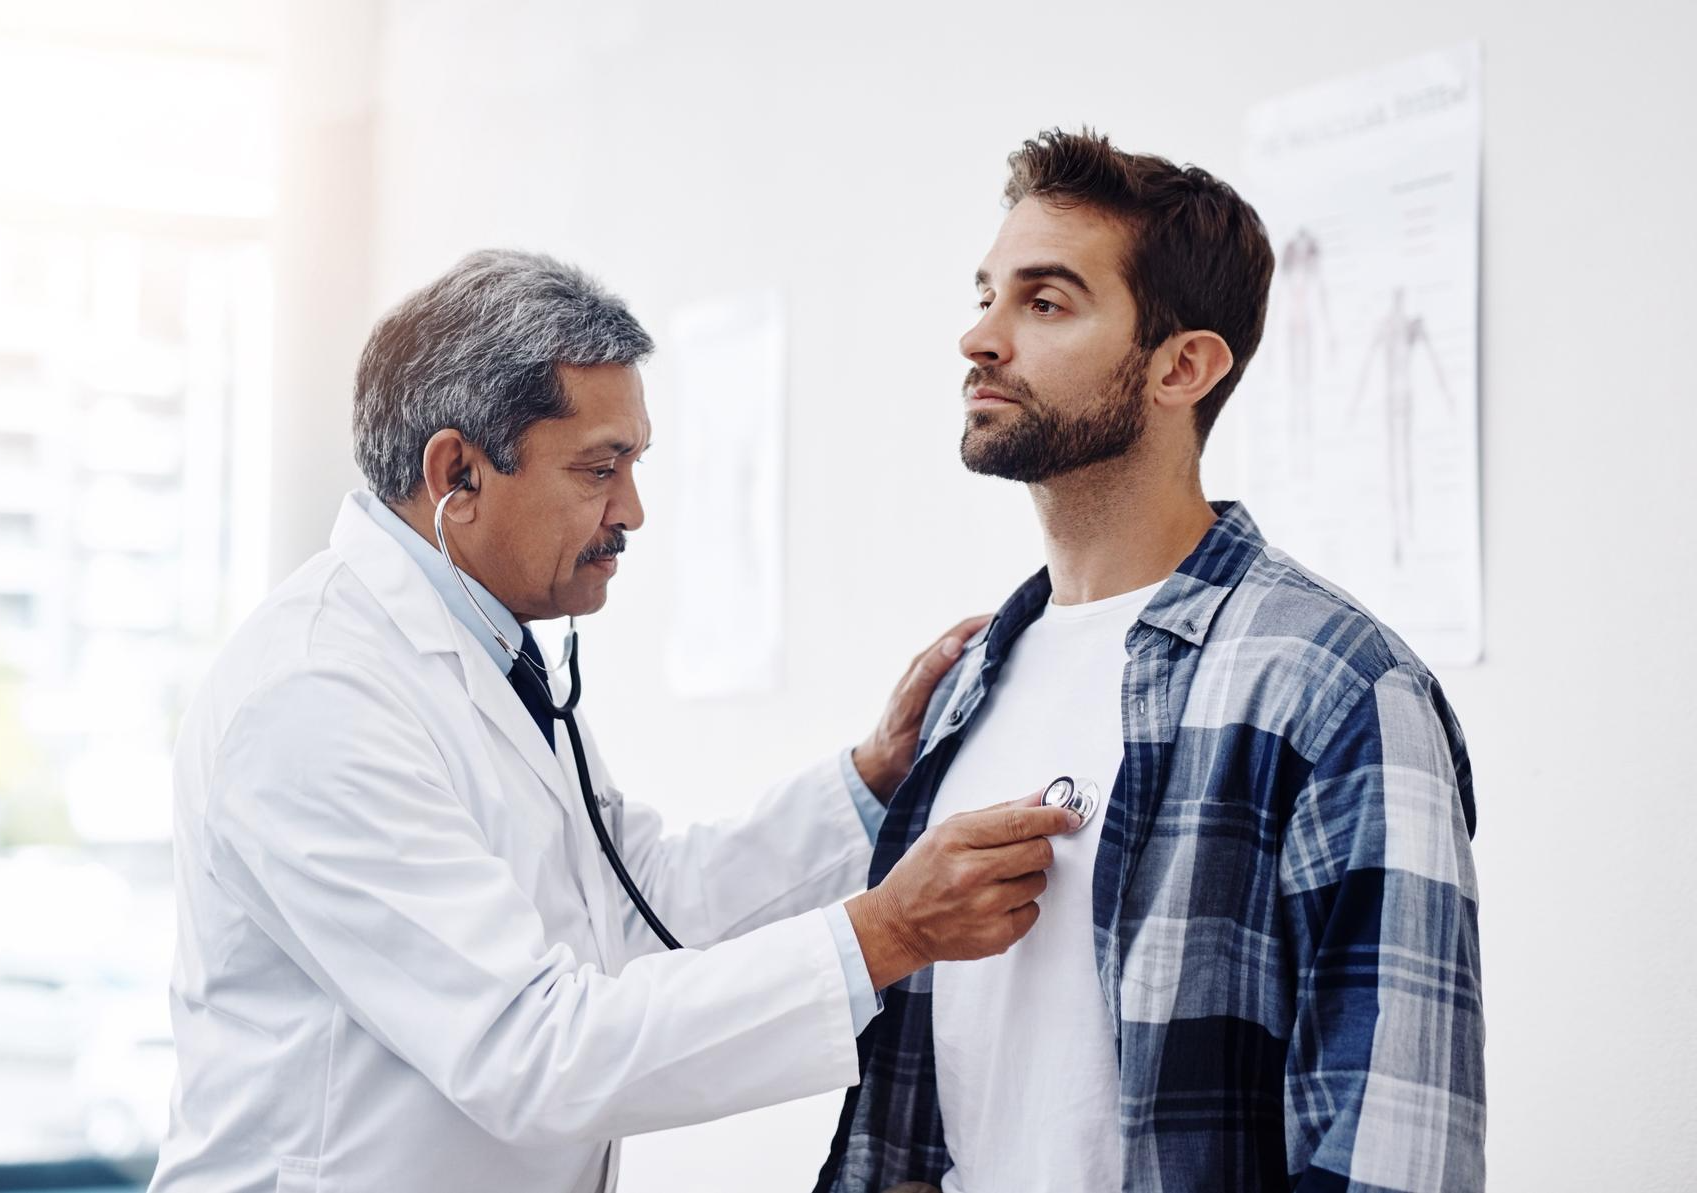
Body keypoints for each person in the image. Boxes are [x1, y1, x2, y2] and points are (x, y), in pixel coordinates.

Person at [150, 250, 1082, 1192]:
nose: (631, 510)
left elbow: (642, 907)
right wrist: (887, 932)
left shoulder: (492, 656)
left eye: (633, 464)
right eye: (600, 468)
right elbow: (529, 1048)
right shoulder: (316, 696)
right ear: (456, 473)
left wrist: (868, 784)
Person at [817, 131, 1484, 1193]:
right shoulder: (963, 686)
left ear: (1182, 365)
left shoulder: (1334, 687)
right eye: (986, 293)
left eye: (1043, 303)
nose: (976, 337)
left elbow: (1395, 1147)